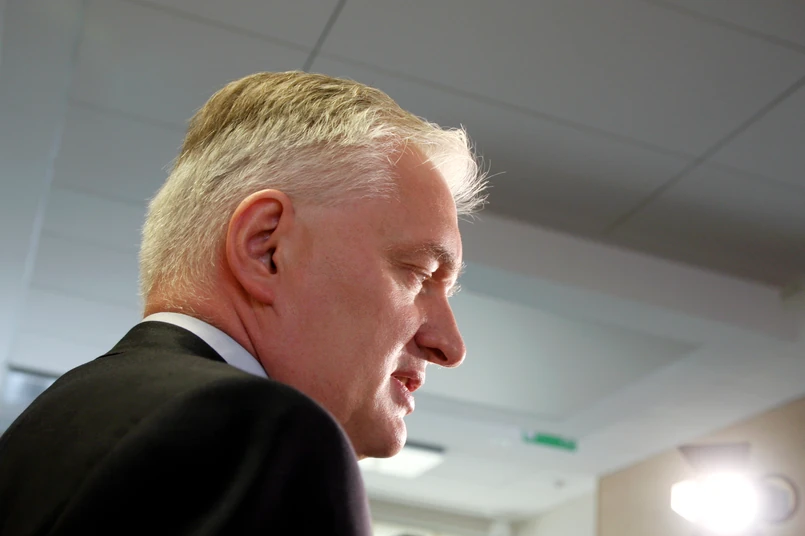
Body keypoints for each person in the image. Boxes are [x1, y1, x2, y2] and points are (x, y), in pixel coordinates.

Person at [0, 71, 486, 535]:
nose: (450, 346)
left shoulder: (52, 423)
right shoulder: (267, 434)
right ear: (266, 248)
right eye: (420, 273)